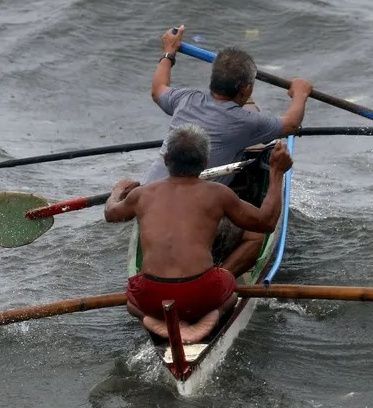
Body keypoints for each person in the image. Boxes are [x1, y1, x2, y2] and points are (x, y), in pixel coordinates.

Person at [146, 24, 313, 278]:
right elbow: (290, 124)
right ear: (245, 90)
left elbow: (158, 89)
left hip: (152, 207)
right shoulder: (245, 122)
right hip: (191, 216)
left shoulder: (184, 99)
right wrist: (300, 93)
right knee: (257, 234)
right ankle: (217, 280)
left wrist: (169, 52)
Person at [105, 125, 293, 343]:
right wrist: (276, 173)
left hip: (153, 298)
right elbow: (267, 222)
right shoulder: (218, 193)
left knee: (131, 301)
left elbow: (111, 214)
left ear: (166, 160)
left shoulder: (140, 194)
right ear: (205, 163)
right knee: (231, 291)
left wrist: (117, 191)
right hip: (202, 296)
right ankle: (214, 314)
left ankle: (150, 318)